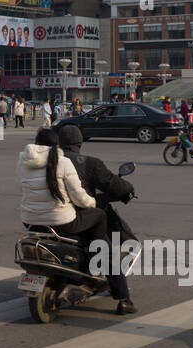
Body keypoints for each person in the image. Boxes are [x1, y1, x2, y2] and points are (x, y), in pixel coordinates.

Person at [50, 124, 137, 314]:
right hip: (74, 217)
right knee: (105, 249)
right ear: (80, 142)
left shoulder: (47, 161)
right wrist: (128, 188)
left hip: (44, 217)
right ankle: (123, 299)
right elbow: (112, 184)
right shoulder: (89, 163)